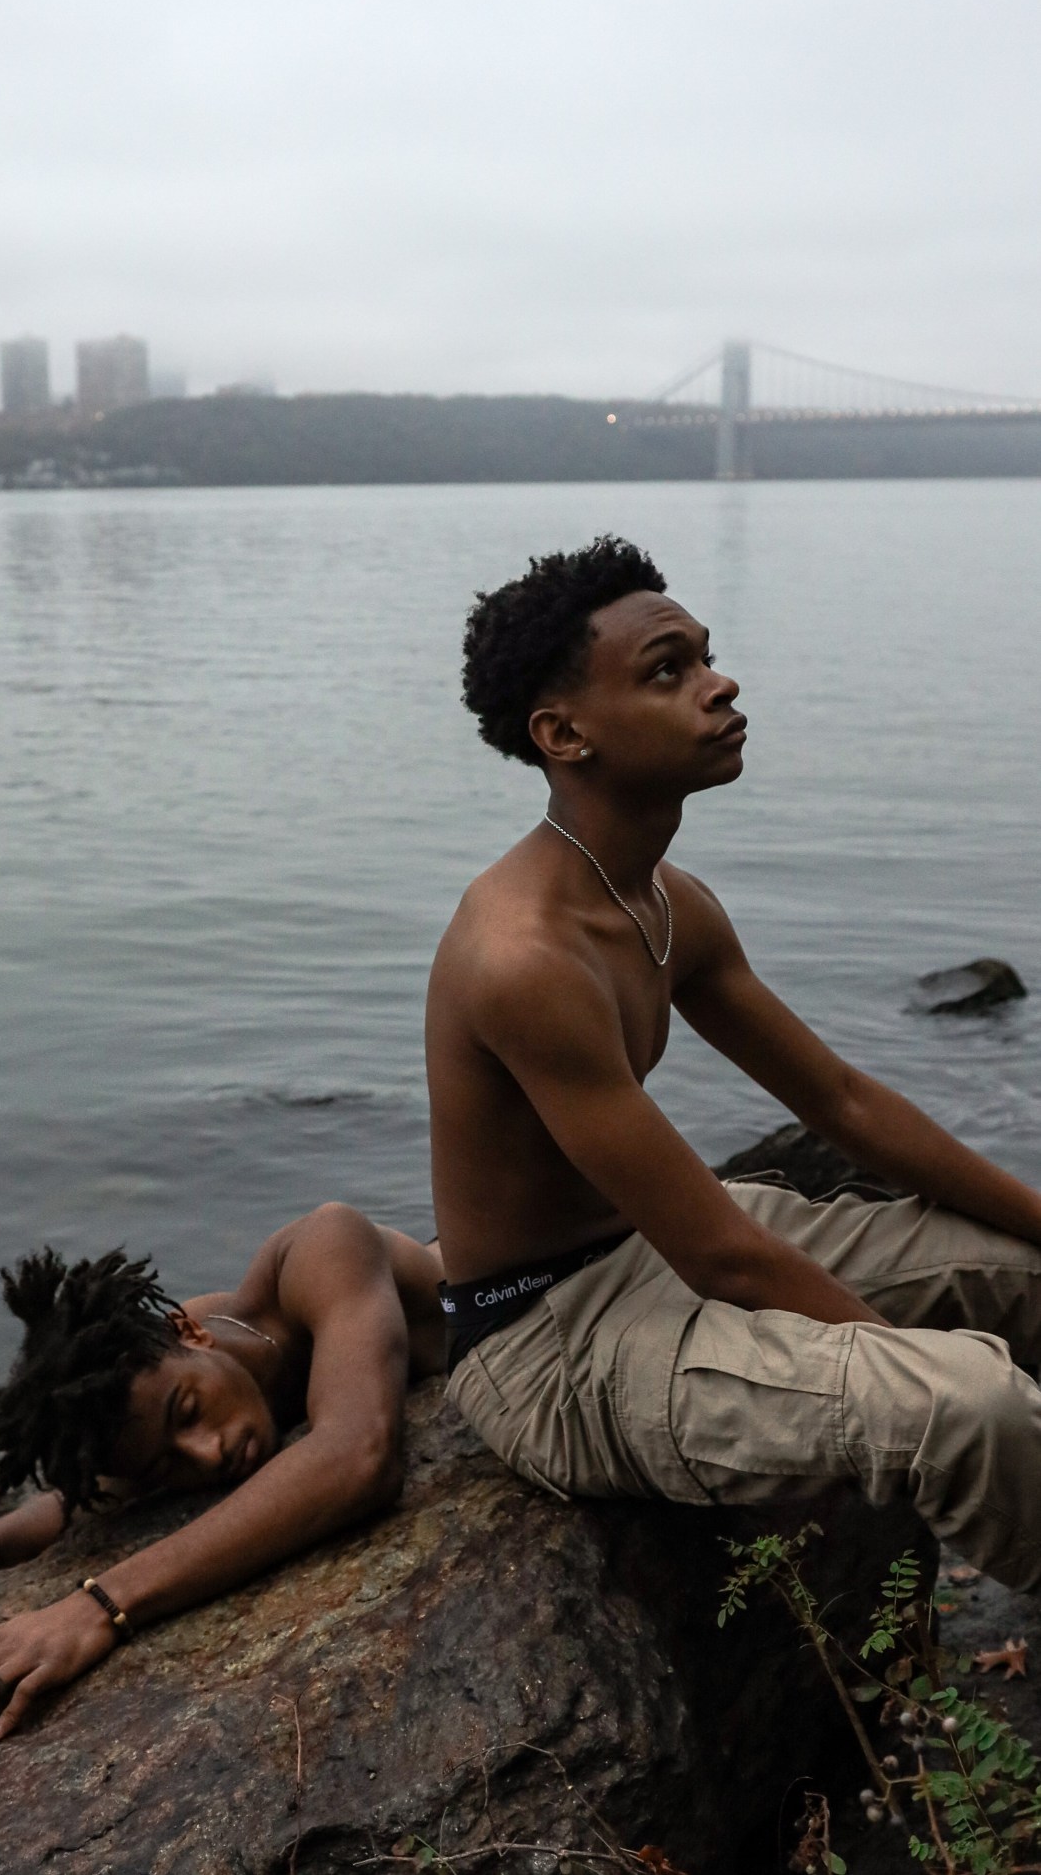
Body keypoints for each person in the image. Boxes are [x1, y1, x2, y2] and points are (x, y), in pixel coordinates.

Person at [426, 536, 1041, 1588]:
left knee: (1023, 1275)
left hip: (655, 1252)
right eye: (670, 670)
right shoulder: (524, 958)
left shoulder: (670, 901)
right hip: (551, 1342)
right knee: (968, 1406)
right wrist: (903, 1363)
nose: (721, 685)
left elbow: (842, 1100)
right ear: (564, 733)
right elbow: (724, 1257)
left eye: (706, 657)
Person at [0, 1203, 445, 1757]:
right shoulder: (160, 1388)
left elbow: (358, 1456)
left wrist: (96, 1608)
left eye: (187, 1412)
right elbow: (84, 1502)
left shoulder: (324, 1247)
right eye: (166, 1465)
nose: (208, 1454)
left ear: (188, 1331)